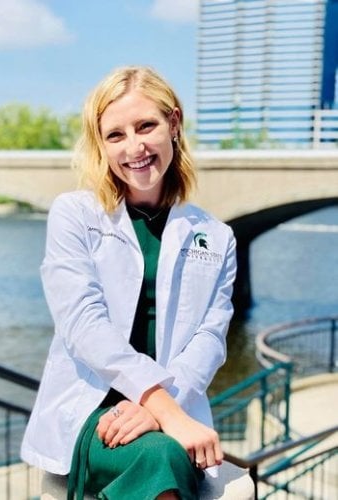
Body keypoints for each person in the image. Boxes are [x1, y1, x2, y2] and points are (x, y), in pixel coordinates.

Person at [21, 66, 237, 500]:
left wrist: (158, 409)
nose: (134, 148)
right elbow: (83, 324)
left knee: (162, 454)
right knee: (159, 458)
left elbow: (210, 339)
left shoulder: (217, 236)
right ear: (100, 145)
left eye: (146, 126)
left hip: (167, 407)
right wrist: (162, 409)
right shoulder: (75, 215)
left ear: (174, 124)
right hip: (92, 409)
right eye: (115, 135)